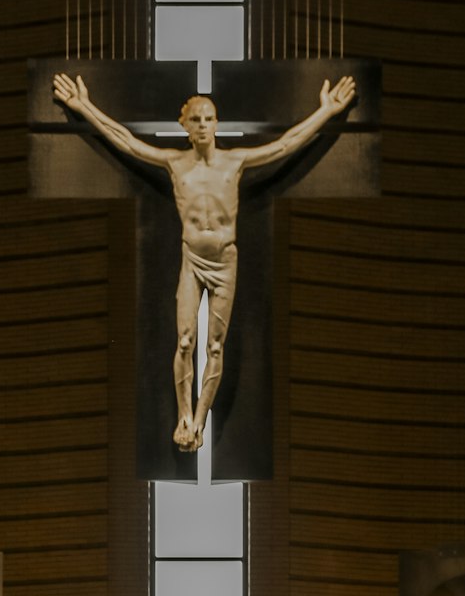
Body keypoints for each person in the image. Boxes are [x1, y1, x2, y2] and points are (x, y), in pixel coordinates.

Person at [52, 71, 356, 452]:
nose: (202, 125)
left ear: (217, 123)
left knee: (214, 347)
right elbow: (125, 141)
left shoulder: (236, 161)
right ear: (184, 125)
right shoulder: (174, 163)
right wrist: (83, 106)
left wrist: (326, 111)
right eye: (195, 119)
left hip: (225, 261)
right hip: (192, 258)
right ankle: (183, 415)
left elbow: (286, 144)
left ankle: (199, 422)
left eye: (208, 118)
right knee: (183, 341)